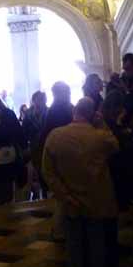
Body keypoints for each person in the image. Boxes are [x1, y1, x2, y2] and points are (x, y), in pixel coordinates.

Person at [42, 97, 119, 267]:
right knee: (95, 240)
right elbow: (115, 145)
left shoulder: (55, 135)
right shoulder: (99, 136)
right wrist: (102, 124)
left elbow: (48, 172)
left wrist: (64, 195)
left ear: (74, 111)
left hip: (70, 199)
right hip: (96, 198)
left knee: (74, 241)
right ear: (92, 114)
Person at [42, 81, 74, 241]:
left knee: (63, 193)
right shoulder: (58, 110)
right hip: (64, 154)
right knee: (63, 194)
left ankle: (61, 228)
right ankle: (59, 229)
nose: (68, 95)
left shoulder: (54, 110)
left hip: (60, 153)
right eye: (67, 92)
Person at [22, 90, 49, 199]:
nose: (39, 102)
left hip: (46, 144)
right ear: (33, 101)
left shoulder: (49, 111)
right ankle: (38, 193)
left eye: (41, 100)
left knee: (47, 168)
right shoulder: (28, 114)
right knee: (36, 170)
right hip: (33, 145)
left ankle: (46, 192)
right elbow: (24, 131)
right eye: (37, 100)